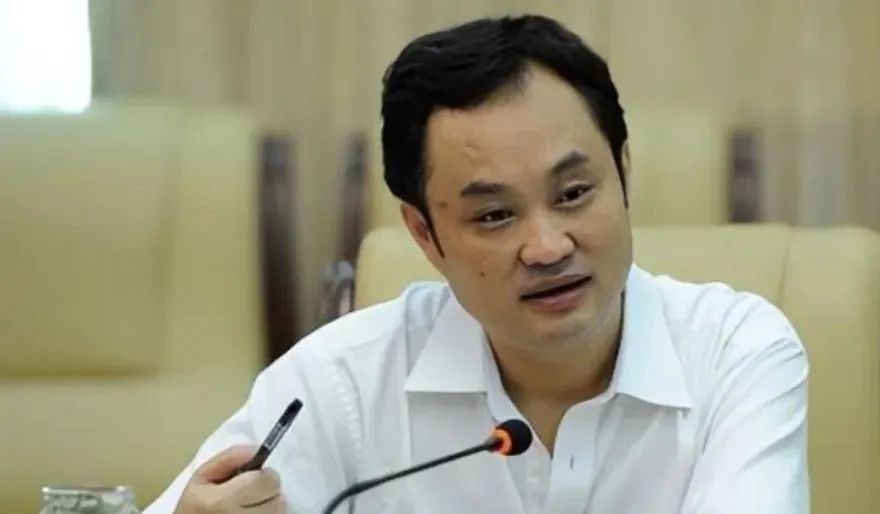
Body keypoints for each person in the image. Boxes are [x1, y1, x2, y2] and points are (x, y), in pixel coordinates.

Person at [145, 14, 809, 514]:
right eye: (494, 215)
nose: (547, 247)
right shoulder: (339, 384)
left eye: (574, 194)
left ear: (624, 175)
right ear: (424, 234)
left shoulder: (735, 356)